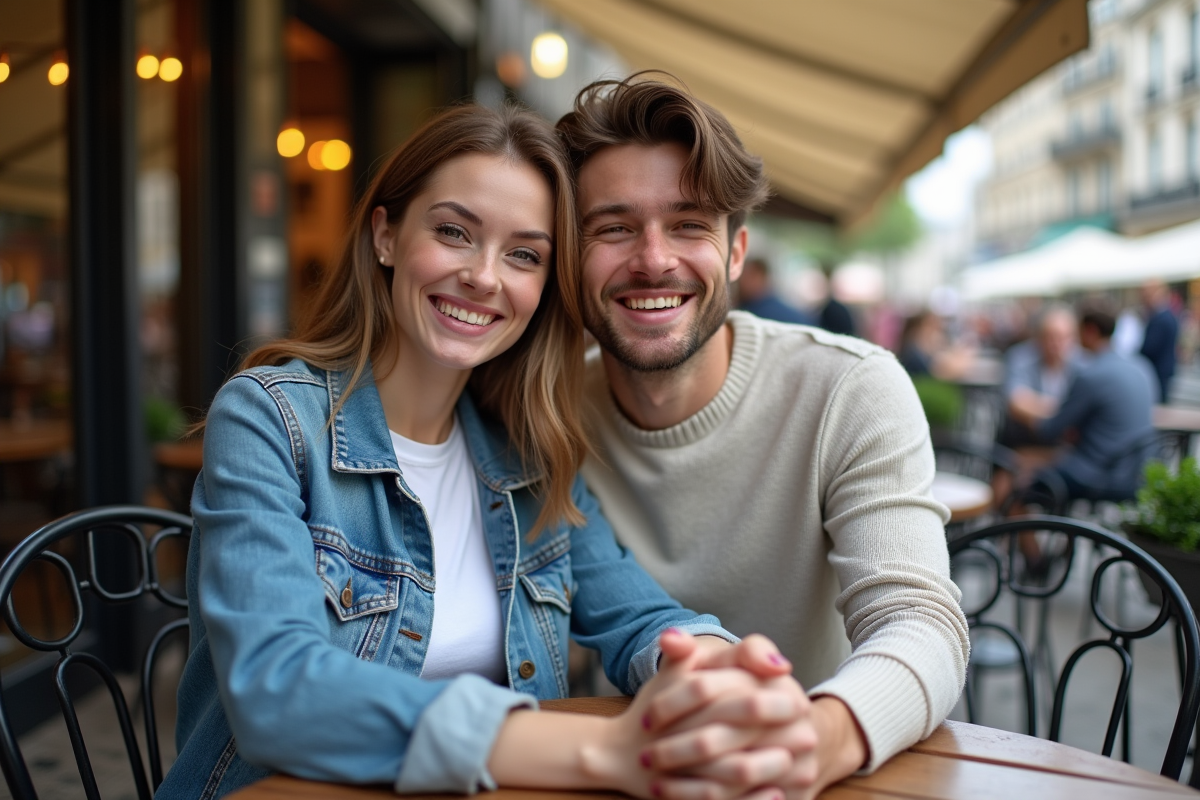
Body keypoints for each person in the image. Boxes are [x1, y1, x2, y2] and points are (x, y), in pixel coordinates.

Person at [159, 104, 806, 799]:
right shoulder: (271, 418)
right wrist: (606, 750)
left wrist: (715, 675)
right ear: (386, 235)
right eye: (453, 233)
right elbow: (277, 689)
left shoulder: (522, 453)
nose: (485, 277)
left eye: (524, 254)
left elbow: (638, 616)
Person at [557, 74, 970, 798]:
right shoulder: (546, 412)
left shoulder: (851, 387)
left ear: (738, 253)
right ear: (569, 255)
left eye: (688, 224)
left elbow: (920, 622)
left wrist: (808, 741)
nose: (654, 259)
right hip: (632, 769)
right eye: (614, 227)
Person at [1008, 299, 1158, 506]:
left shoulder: (1092, 374)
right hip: (1138, 472)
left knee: (1019, 485)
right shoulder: (1143, 367)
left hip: (1099, 475)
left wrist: (1029, 409)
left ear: (1090, 331)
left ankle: (1029, 534)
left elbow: (1050, 430)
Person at [998, 304, 1083, 449]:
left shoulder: (1083, 362)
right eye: (1051, 337)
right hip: (1024, 441)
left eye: (1064, 337)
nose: (1057, 344)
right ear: (1038, 337)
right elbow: (1016, 402)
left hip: (1065, 447)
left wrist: (1039, 408)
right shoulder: (1021, 356)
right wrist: (1066, 412)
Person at [736, 257, 812, 325]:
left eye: (749, 275)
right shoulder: (748, 307)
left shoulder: (767, 313)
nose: (741, 281)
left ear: (761, 276)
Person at [1139, 279, 1179, 403]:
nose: (1143, 297)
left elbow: (1150, 348)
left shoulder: (1162, 318)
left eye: (1146, 293)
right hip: (1161, 370)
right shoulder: (1165, 316)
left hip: (1158, 371)